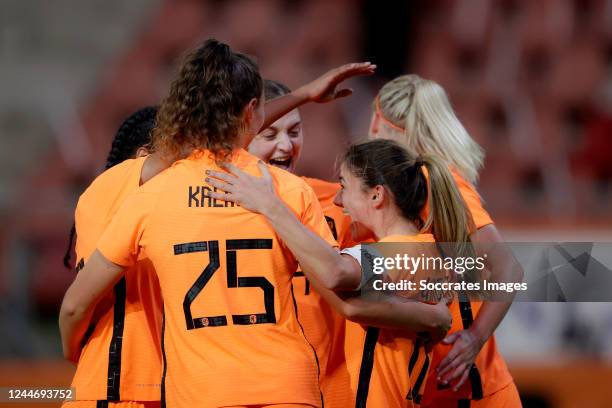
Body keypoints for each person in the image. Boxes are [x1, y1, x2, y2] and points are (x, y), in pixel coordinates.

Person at [59, 39, 375, 408]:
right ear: (252, 112)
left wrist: (71, 351)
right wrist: (431, 310)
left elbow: (72, 306)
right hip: (289, 388)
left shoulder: (144, 198)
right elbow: (355, 286)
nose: (284, 145)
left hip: (191, 390)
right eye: (270, 131)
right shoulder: (299, 193)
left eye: (292, 132)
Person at [205, 138, 473, 407]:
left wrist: (272, 208)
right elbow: (360, 307)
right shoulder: (432, 254)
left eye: (344, 186)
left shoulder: (396, 251)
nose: (337, 199)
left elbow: (337, 277)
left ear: (377, 195)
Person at [370, 74, 523, 407]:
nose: (370, 133)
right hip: (437, 387)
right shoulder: (408, 186)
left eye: (374, 120)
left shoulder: (432, 183)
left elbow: (507, 268)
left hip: (470, 392)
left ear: (384, 123)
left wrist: (474, 337)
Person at [61, 106, 163, 408]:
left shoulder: (139, 206)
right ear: (145, 157)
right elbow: (72, 308)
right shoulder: (115, 186)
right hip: (121, 388)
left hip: (139, 384)